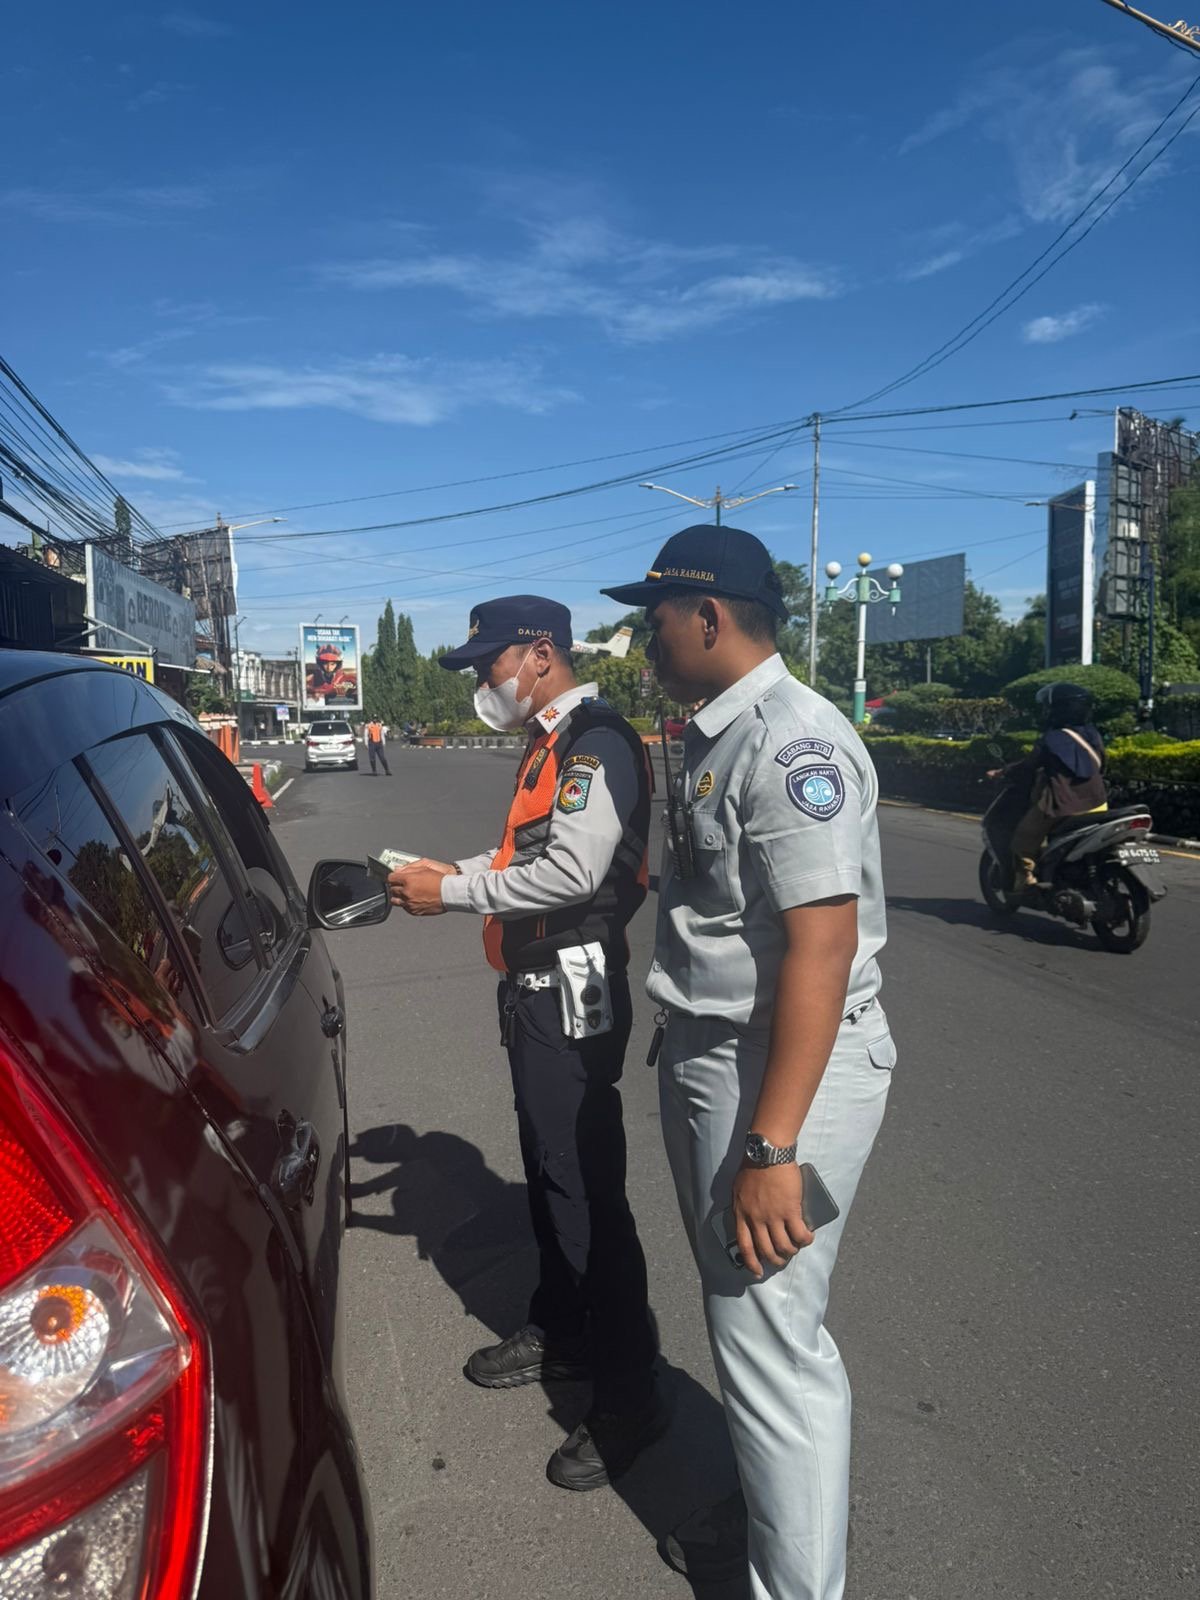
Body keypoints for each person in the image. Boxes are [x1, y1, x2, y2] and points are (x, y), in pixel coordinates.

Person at [599, 526, 895, 1600]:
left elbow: (821, 947)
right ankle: (777, 1516)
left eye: (654, 618)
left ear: (708, 618)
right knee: (749, 1321)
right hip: (720, 1061)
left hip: (780, 1078)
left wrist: (772, 1144)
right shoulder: (718, 733)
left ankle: (795, 1584)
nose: (645, 640)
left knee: (770, 1340)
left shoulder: (792, 744)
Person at [387, 595, 663, 1491]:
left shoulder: (597, 742)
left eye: (489, 663)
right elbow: (518, 862)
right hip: (535, 990)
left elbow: (576, 872)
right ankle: (563, 1328)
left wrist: (453, 896)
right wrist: (438, 875)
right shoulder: (548, 743)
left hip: (573, 991)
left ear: (541, 653)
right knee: (550, 1173)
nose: (482, 681)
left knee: (587, 1190)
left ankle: (629, 1395)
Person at [986, 681, 1107, 887]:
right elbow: (1102, 765)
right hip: (1098, 802)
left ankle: (1026, 882)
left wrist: (1002, 772)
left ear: (1056, 709)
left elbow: (1028, 767)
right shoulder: (1092, 735)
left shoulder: (1050, 740)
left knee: (1021, 841)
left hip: (1062, 806)